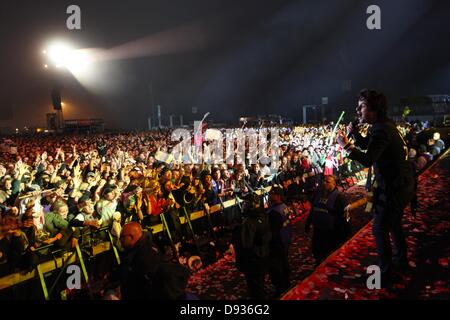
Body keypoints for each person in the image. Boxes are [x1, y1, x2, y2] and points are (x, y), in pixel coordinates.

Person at [337, 89, 414, 287]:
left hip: (394, 188)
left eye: (361, 105)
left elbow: (368, 158)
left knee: (380, 229)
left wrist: (346, 146)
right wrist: (354, 133)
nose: (358, 109)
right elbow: (372, 146)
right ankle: (401, 263)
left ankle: (386, 275)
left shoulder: (380, 129)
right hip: (402, 185)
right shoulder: (383, 126)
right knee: (394, 225)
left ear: (374, 109)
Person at [305, 175, 350, 266]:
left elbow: (345, 216)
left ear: (334, 184)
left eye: (328, 182)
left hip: (331, 230)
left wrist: (346, 232)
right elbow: (313, 210)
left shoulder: (339, 197)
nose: (324, 183)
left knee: (329, 252)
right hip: (318, 229)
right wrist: (308, 223)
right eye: (324, 181)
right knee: (316, 250)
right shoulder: (317, 194)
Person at [266, 186, 291, 296]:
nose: (270, 196)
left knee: (277, 267)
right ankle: (286, 284)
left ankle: (281, 288)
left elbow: (273, 231)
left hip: (278, 242)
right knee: (284, 262)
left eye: (272, 194)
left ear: (278, 196)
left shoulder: (274, 212)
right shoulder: (284, 206)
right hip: (285, 238)